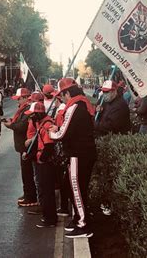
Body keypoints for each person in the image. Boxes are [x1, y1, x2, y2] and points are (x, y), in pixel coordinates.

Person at [49, 78, 96, 238]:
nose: (61, 98)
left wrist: (51, 132)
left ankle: (83, 225)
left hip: (78, 153)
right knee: (78, 188)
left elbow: (62, 133)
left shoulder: (74, 107)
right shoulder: (83, 104)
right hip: (84, 152)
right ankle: (79, 219)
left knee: (77, 189)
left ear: (68, 93)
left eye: (62, 95)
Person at [23, 102, 58, 228]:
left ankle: (50, 219)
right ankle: (47, 216)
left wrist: (42, 159)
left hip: (45, 163)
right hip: (40, 160)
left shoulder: (46, 125)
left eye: (32, 115)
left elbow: (48, 146)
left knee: (46, 191)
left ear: (37, 114)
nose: (30, 118)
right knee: (43, 190)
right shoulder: (39, 123)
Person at [3, 88, 38, 207]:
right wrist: (12, 121)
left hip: (26, 146)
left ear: (24, 98)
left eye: (19, 99)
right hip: (22, 145)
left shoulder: (28, 109)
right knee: (25, 172)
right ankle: (28, 193)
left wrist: (11, 125)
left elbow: (23, 126)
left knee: (27, 173)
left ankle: (30, 197)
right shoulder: (23, 109)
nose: (17, 101)